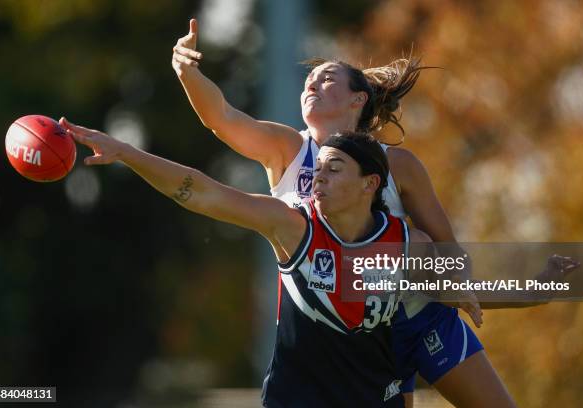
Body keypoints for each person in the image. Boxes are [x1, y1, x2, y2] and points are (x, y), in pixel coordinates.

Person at [169, 18, 546, 407]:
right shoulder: (287, 150)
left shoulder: (398, 165)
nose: (311, 84)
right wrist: (187, 70)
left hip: (418, 316)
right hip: (355, 333)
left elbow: (446, 250)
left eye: (326, 78)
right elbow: (221, 118)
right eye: (307, 82)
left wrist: (480, 286)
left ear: (358, 99)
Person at [63, 122, 434, 407]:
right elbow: (204, 194)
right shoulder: (292, 226)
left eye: (334, 169)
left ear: (370, 184)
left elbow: (462, 279)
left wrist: (458, 289)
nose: (318, 177)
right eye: (318, 168)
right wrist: (127, 153)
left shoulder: (407, 243)